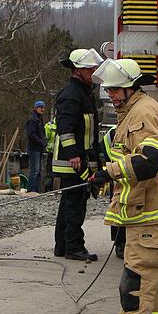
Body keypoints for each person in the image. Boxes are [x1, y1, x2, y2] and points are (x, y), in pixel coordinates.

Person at [89, 58, 158, 314]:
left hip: (152, 210)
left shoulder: (141, 113)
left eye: (116, 90)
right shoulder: (132, 109)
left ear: (131, 87)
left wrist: (110, 172)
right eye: (110, 90)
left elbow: (148, 163)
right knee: (151, 274)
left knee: (138, 275)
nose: (112, 95)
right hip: (148, 207)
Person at [50, 48, 104, 261]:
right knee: (75, 206)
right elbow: (65, 127)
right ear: (78, 70)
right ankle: (74, 247)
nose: (94, 72)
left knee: (68, 203)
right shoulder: (72, 95)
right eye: (90, 69)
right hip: (72, 162)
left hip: (78, 159)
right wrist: (74, 155)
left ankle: (62, 246)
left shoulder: (81, 93)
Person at [24, 101, 46, 193]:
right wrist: (41, 142)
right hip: (34, 148)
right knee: (35, 170)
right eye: (41, 107)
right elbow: (31, 135)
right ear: (36, 108)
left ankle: (36, 189)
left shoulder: (39, 119)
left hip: (39, 148)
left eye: (43, 108)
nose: (43, 109)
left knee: (39, 171)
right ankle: (31, 189)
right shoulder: (33, 120)